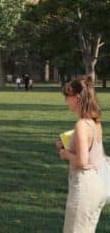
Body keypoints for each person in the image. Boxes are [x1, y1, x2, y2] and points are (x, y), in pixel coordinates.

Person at [56, 75, 105, 232]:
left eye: (67, 97)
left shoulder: (82, 125)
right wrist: (68, 144)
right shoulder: (95, 122)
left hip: (84, 188)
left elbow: (83, 162)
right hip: (97, 186)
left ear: (77, 98)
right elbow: (95, 152)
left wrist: (65, 153)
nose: (66, 101)